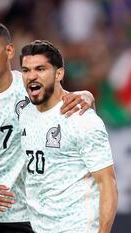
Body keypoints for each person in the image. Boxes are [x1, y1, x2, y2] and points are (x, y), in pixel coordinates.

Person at [0, 21, 95, 233]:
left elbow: (69, 100)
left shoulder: (30, 87)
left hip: (19, 211)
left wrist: (87, 95)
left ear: (9, 50)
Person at [19, 40, 118, 233]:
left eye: (40, 69)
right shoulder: (23, 113)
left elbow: (108, 183)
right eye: (26, 70)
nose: (32, 76)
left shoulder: (80, 117)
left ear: (59, 73)